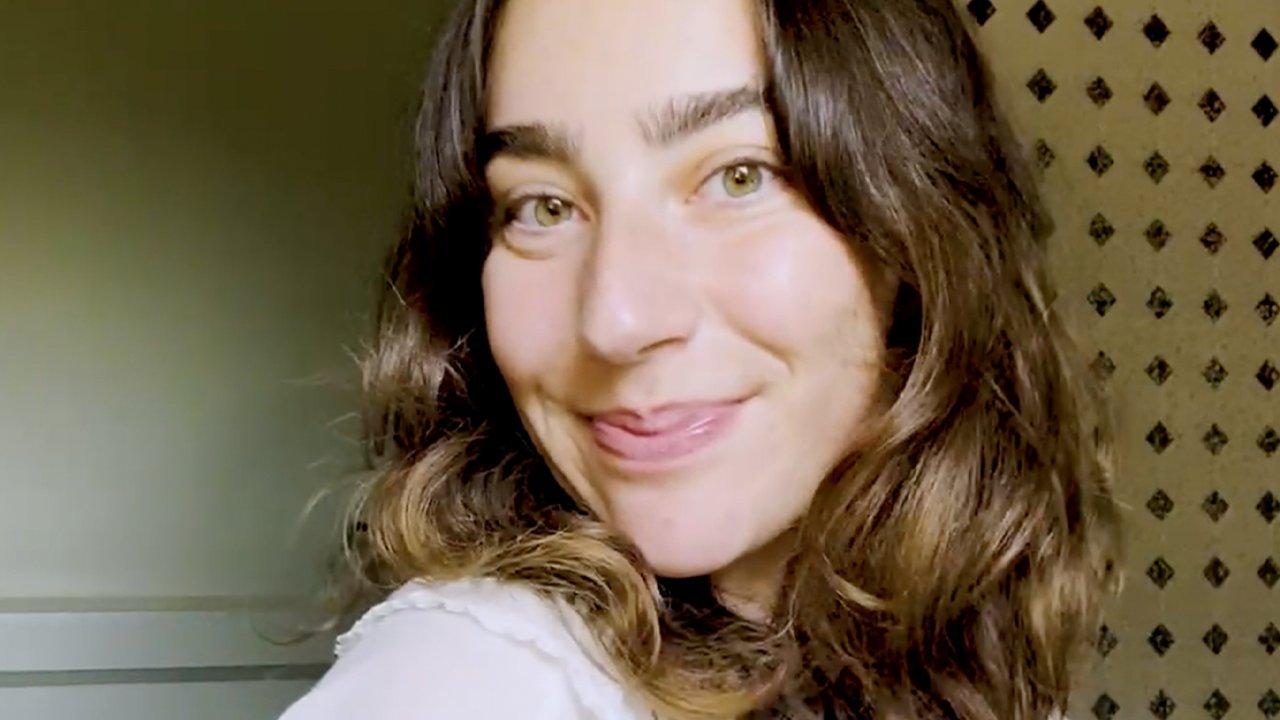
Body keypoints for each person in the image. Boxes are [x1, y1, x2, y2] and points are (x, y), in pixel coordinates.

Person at [280, 0, 1123, 717]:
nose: (615, 320)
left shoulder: (962, 644)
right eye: (542, 205)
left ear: (920, 231)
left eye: (739, 177)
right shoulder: (475, 679)